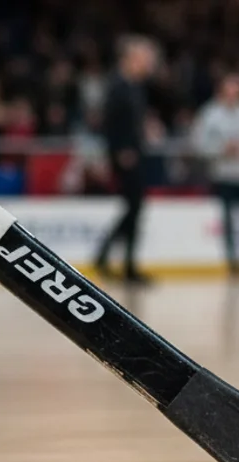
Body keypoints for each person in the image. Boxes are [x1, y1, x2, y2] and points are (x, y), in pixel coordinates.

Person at [94, 36, 158, 284]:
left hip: (134, 153)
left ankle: (111, 258)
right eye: (146, 59)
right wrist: (120, 150)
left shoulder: (134, 86)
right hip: (125, 156)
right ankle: (123, 264)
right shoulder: (118, 85)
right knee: (134, 207)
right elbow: (110, 123)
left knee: (134, 208)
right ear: (133, 59)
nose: (150, 65)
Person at [192, 72, 239, 278]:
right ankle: (234, 264)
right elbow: (198, 144)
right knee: (229, 220)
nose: (233, 95)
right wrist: (221, 149)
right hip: (223, 175)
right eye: (230, 90)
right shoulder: (210, 113)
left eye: (237, 91)